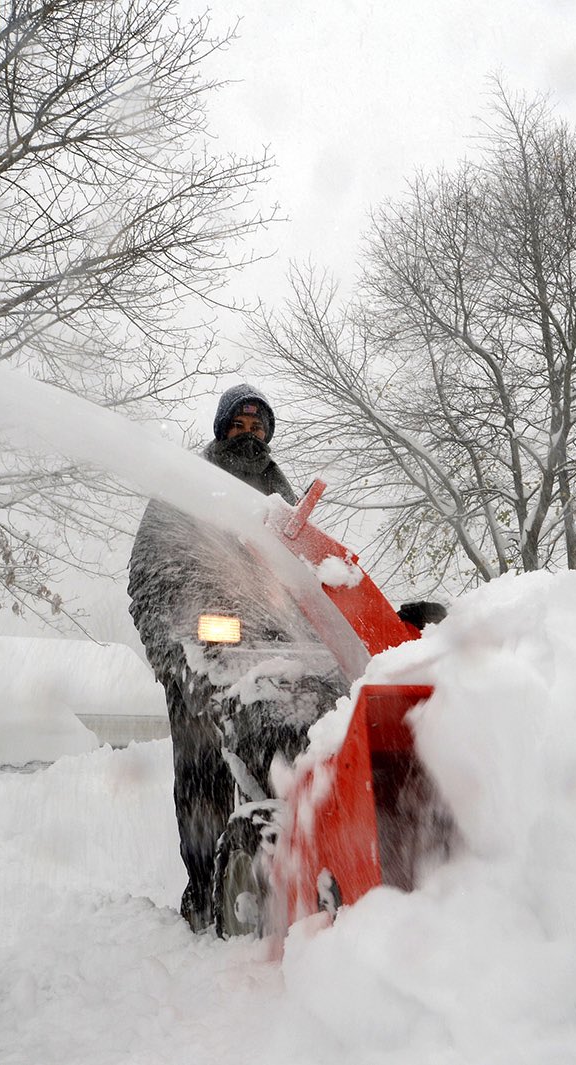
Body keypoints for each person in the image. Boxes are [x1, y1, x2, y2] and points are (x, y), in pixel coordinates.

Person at [127, 383, 329, 932]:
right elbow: (146, 577)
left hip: (272, 658)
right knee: (204, 773)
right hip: (199, 657)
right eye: (239, 425)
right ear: (221, 430)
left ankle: (297, 861)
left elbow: (305, 580)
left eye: (258, 425)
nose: (250, 433)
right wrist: (173, 654)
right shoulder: (186, 488)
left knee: (292, 758)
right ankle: (204, 893)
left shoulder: (279, 496)